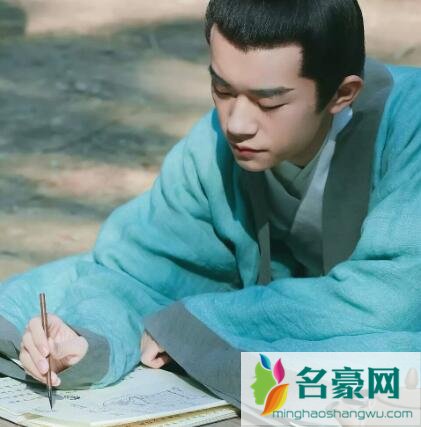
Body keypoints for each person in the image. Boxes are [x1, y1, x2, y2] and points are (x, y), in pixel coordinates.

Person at [0, 0, 420, 409]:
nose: (237, 123)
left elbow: (391, 300)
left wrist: (202, 323)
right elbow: (140, 267)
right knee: (64, 287)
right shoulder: (214, 144)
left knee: (387, 357)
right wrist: (84, 340)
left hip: (373, 314)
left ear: (343, 93)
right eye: (222, 89)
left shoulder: (410, 128)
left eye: (269, 102)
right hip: (272, 301)